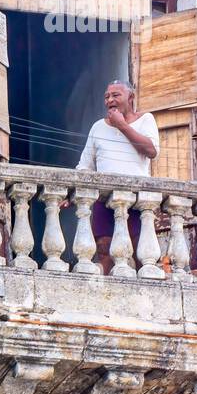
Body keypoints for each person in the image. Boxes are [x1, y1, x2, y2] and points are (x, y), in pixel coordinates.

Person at [75, 80, 158, 272]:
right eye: (106, 96)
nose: (110, 100)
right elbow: (85, 166)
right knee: (104, 249)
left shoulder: (146, 120)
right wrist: (74, 192)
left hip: (137, 200)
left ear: (130, 97)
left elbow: (151, 151)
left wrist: (122, 125)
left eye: (115, 95)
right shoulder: (98, 127)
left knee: (142, 253)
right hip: (105, 199)